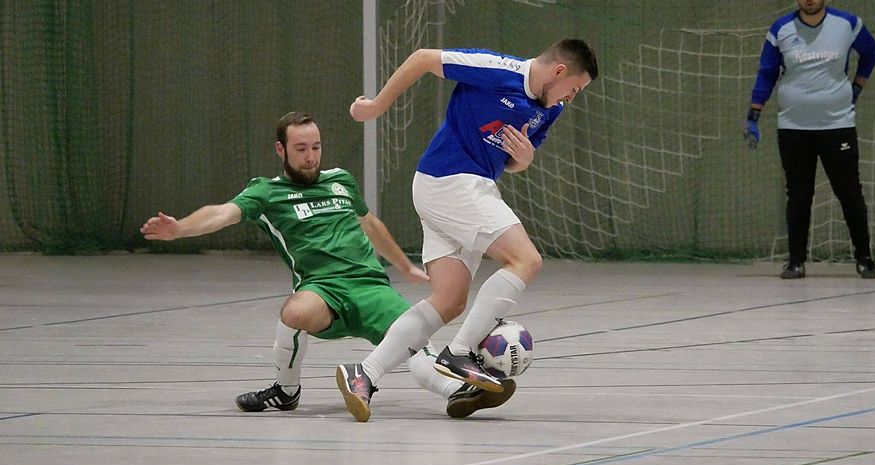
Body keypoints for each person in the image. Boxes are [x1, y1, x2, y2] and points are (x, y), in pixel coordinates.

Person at [140, 111, 516, 421]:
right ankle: (286, 390)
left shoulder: (340, 181)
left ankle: (458, 393)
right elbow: (222, 213)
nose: (310, 156)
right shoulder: (266, 192)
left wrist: (403, 266)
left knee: (416, 342)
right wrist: (180, 229)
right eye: (301, 148)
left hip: (370, 287)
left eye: (316, 147)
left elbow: (371, 225)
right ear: (281, 149)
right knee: (295, 310)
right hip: (323, 290)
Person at [336, 39, 598, 421]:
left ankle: (364, 373)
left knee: (449, 300)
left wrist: (524, 160)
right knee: (525, 260)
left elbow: (512, 162)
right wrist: (376, 106)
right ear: (559, 71)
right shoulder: (496, 70)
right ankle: (460, 352)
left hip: (463, 188)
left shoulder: (550, 109)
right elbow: (424, 59)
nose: (571, 98)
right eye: (574, 88)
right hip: (451, 180)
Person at [744, 0, 875, 280]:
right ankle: (795, 261)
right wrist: (754, 114)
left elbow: (871, 53)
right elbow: (767, 73)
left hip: (837, 125)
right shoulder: (781, 28)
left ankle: (865, 258)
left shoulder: (847, 24)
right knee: (799, 195)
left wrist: (856, 88)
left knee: (850, 192)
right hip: (794, 127)